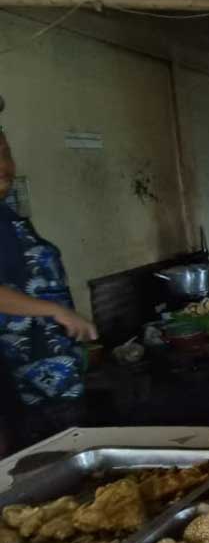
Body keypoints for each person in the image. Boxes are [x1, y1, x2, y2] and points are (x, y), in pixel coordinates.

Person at [0, 128, 98, 451]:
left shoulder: (8, 216)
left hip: (55, 367)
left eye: (6, 154)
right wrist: (56, 311)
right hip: (25, 380)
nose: (4, 165)